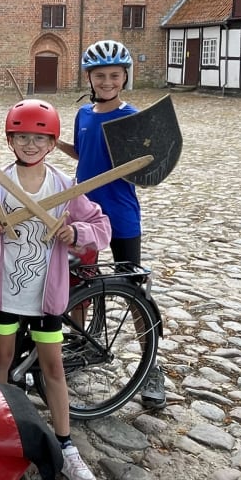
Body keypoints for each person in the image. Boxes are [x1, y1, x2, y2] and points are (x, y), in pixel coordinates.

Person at [0, 99, 110, 480]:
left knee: (53, 367)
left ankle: (65, 444)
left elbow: (101, 226)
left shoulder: (64, 187)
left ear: (52, 143)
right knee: (0, 359)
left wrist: (77, 233)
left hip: (45, 295)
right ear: (10, 140)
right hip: (5, 293)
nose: (30, 144)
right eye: (22, 137)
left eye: (39, 138)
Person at [54, 39, 167, 409]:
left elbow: (147, 165)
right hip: (84, 213)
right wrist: (57, 145)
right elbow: (85, 153)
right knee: (78, 283)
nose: (106, 82)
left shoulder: (131, 118)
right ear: (89, 78)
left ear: (124, 78)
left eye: (113, 76)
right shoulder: (84, 115)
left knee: (135, 290)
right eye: (100, 76)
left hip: (119, 215)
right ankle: (82, 340)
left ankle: (152, 369)